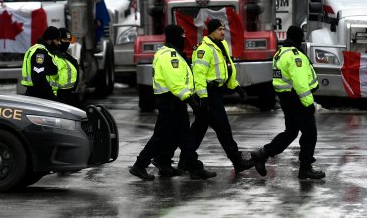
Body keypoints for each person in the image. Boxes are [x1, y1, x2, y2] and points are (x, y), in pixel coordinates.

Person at [174, 19, 254, 177]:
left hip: (215, 93)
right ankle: (237, 161)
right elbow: (199, 76)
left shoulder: (221, 45)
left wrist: (236, 86)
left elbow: (227, 68)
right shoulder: (203, 50)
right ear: (210, 31)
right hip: (208, 95)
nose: (223, 32)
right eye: (219, 29)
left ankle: (184, 161)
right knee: (223, 128)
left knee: (198, 130)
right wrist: (203, 98)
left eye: (223, 29)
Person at [129, 25, 210, 181]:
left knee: (176, 136)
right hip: (171, 101)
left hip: (172, 101)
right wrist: (191, 100)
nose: (184, 39)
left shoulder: (170, 53)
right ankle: (140, 165)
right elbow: (175, 82)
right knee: (166, 137)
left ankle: (167, 163)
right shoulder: (170, 56)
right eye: (182, 36)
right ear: (175, 37)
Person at [252, 25, 325, 180]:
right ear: (299, 38)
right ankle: (305, 168)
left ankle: (263, 154)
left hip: (287, 100)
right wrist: (308, 103)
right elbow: (300, 83)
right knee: (310, 133)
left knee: (290, 133)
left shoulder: (280, 53)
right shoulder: (294, 55)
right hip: (297, 100)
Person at [21, 26, 61, 100]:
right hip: (40, 96)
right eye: (57, 40)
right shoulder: (40, 52)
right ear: (49, 40)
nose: (59, 43)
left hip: (37, 95)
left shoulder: (43, 51)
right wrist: (52, 97)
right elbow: (39, 78)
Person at [51, 28, 80, 107]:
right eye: (64, 39)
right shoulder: (51, 55)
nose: (67, 42)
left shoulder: (69, 57)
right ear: (58, 40)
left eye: (68, 40)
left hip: (69, 95)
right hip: (56, 97)